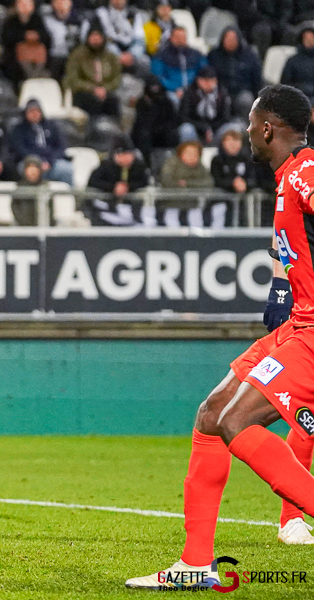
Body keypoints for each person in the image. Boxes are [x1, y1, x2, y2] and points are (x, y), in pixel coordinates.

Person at [126, 84, 314, 591]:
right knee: (213, 415)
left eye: (251, 122)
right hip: (298, 325)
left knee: (236, 421)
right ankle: (196, 564)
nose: (247, 131)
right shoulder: (285, 179)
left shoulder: (305, 171)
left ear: (268, 127)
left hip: (313, 332)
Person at [62, 24, 122, 119]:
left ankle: (113, 131)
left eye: (98, 36)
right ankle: (93, 131)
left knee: (113, 101)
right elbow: (73, 79)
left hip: (105, 91)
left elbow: (117, 78)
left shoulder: (110, 56)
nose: (95, 39)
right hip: (83, 92)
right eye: (93, 36)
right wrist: (93, 89)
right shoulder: (78, 55)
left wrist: (105, 89)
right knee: (93, 102)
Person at [9, 98, 73, 185]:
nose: (34, 114)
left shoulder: (52, 126)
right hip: (30, 163)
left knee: (67, 170)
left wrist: (50, 161)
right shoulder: (19, 129)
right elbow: (20, 149)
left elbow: (61, 146)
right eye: (31, 111)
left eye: (37, 111)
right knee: (23, 169)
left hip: (51, 163)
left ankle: (69, 197)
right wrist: (37, 163)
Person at [206, 27, 261, 121]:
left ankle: (244, 128)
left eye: (233, 39)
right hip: (220, 91)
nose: (230, 42)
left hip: (242, 91)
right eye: (227, 39)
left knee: (246, 100)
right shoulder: (213, 55)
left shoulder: (249, 56)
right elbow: (208, 75)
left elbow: (257, 79)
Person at [85, 0, 149, 75]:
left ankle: (140, 85)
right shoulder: (100, 13)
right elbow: (100, 39)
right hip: (107, 51)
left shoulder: (134, 14)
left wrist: (132, 54)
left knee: (145, 61)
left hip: (130, 51)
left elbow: (140, 40)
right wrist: (118, 55)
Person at [151, 26, 206, 105]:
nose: (180, 40)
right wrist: (175, 88)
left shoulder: (196, 55)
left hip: (194, 89)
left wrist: (192, 88)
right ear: (171, 38)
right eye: (177, 37)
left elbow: (204, 72)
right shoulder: (161, 56)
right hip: (171, 91)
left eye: (183, 37)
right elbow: (158, 76)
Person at [177, 67, 233, 144]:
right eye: (205, 81)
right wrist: (203, 128)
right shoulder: (189, 93)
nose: (208, 84)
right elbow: (183, 117)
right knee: (186, 129)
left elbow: (226, 117)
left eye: (211, 80)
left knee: (231, 128)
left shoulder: (222, 94)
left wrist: (210, 129)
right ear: (198, 80)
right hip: (196, 129)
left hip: (215, 129)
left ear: (216, 81)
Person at [0, 0, 52, 84]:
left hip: (37, 59)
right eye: (22, 4)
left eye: (28, 4)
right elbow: (6, 39)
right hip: (15, 61)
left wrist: (36, 36)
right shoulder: (11, 21)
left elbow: (47, 38)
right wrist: (24, 36)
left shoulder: (37, 20)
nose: (24, 7)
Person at [131, 74, 179, 161]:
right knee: (143, 134)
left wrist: (160, 129)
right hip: (146, 134)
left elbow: (172, 121)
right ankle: (146, 165)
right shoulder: (141, 103)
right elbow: (140, 123)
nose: (155, 90)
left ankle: (172, 161)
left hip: (163, 133)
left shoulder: (167, 102)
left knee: (172, 134)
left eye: (156, 87)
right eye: (152, 87)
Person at [43, 0, 82, 79]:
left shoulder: (80, 19)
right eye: (58, 2)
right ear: (52, 4)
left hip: (73, 56)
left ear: (70, 3)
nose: (61, 5)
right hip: (52, 58)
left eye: (64, 1)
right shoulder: (46, 20)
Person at [210, 129, 257, 194]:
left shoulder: (247, 160)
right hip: (222, 198)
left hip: (244, 199)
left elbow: (253, 179)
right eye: (229, 140)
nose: (232, 144)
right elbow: (216, 180)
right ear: (223, 143)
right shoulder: (217, 160)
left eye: (236, 140)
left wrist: (245, 183)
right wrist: (232, 183)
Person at [280, 26, 314, 103]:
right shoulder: (292, 61)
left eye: (312, 37)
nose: (310, 40)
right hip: (298, 96)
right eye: (306, 38)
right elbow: (285, 83)